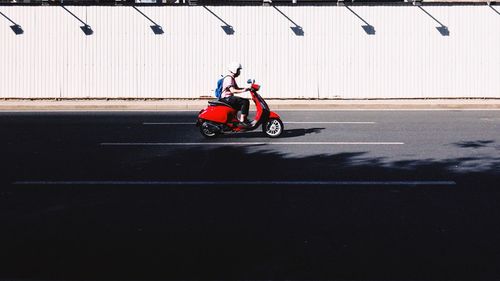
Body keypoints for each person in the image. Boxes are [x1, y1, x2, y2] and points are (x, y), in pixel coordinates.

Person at [221, 62, 253, 127]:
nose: (239, 72)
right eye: (238, 70)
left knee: (242, 103)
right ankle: (242, 120)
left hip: (228, 98)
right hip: (226, 98)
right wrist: (243, 90)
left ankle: (237, 120)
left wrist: (246, 88)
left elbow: (237, 88)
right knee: (245, 101)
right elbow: (233, 90)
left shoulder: (231, 78)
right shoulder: (229, 78)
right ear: (234, 69)